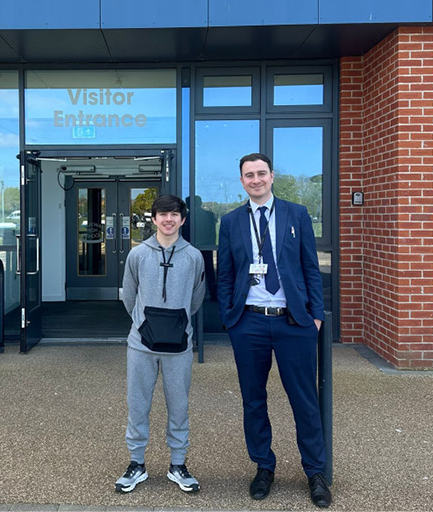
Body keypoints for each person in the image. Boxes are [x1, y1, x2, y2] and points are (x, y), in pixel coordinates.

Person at [216, 152, 330, 508]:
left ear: (272, 176)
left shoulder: (296, 214)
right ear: (241, 181)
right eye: (249, 175)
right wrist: (230, 318)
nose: (256, 179)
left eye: (261, 173)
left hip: (294, 322)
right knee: (253, 400)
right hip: (248, 322)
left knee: (304, 400)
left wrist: (315, 316)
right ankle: (264, 466)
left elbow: (311, 267)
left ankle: (315, 472)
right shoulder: (232, 221)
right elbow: (225, 275)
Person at [115, 194, 205, 495]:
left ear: (182, 219)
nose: (169, 219)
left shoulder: (194, 257)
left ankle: (178, 464)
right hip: (141, 345)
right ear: (153, 219)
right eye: (162, 214)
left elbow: (195, 299)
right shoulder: (138, 255)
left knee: (179, 406)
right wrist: (145, 324)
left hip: (179, 346)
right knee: (137, 404)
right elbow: (129, 296)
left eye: (174, 214)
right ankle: (136, 464)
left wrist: (175, 325)